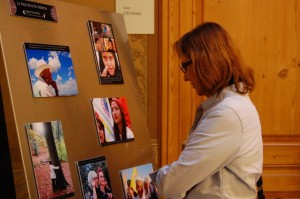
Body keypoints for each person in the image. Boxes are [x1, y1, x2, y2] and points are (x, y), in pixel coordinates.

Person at [149, 22, 263, 198]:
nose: (185, 77)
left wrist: (141, 180)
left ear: (205, 61)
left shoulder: (228, 113)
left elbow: (174, 183)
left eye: (185, 66)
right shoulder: (234, 105)